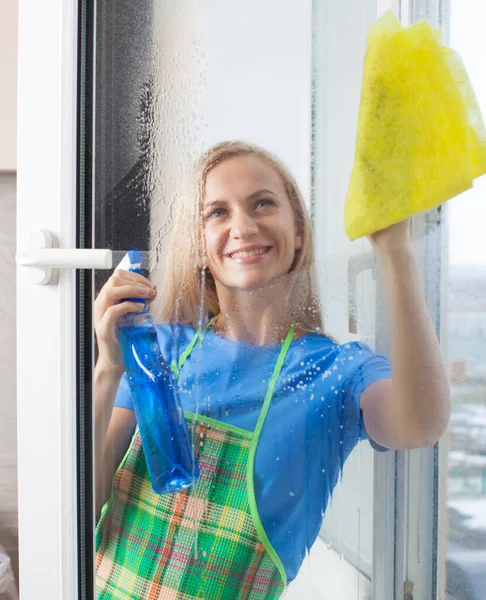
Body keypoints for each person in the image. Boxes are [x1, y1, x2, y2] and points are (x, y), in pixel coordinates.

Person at [94, 141, 451, 599]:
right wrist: (108, 367)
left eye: (262, 203)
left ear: (298, 230)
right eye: (217, 213)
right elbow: (81, 507)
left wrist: (396, 251)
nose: (242, 226)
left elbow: (420, 425)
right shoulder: (157, 351)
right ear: (200, 247)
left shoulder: (338, 372)